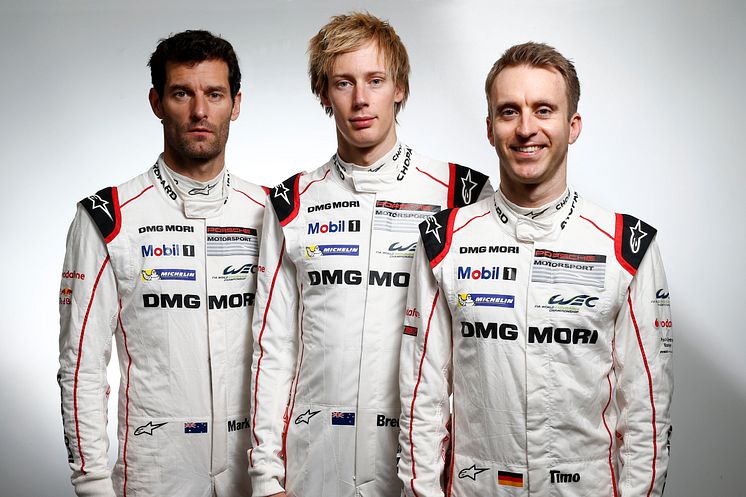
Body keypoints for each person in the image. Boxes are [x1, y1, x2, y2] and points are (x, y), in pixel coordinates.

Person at [398, 42, 673, 497]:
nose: (527, 129)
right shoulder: (443, 242)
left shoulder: (626, 246)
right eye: (509, 112)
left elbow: (647, 410)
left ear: (573, 124)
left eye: (543, 110)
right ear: (489, 128)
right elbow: (420, 400)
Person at [248, 12, 493, 497]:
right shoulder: (292, 201)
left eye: (375, 80)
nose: (360, 100)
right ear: (324, 94)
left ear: (399, 88)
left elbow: (479, 349)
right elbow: (272, 348)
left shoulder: (461, 193)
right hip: (314, 459)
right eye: (343, 82)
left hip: (420, 459)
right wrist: (265, 477)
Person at [57, 30, 267, 497]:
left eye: (214, 94)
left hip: (256, 475)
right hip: (155, 478)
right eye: (181, 93)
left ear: (236, 103)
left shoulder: (271, 212)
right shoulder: (107, 217)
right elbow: (82, 366)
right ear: (156, 102)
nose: (199, 111)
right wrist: (92, 484)